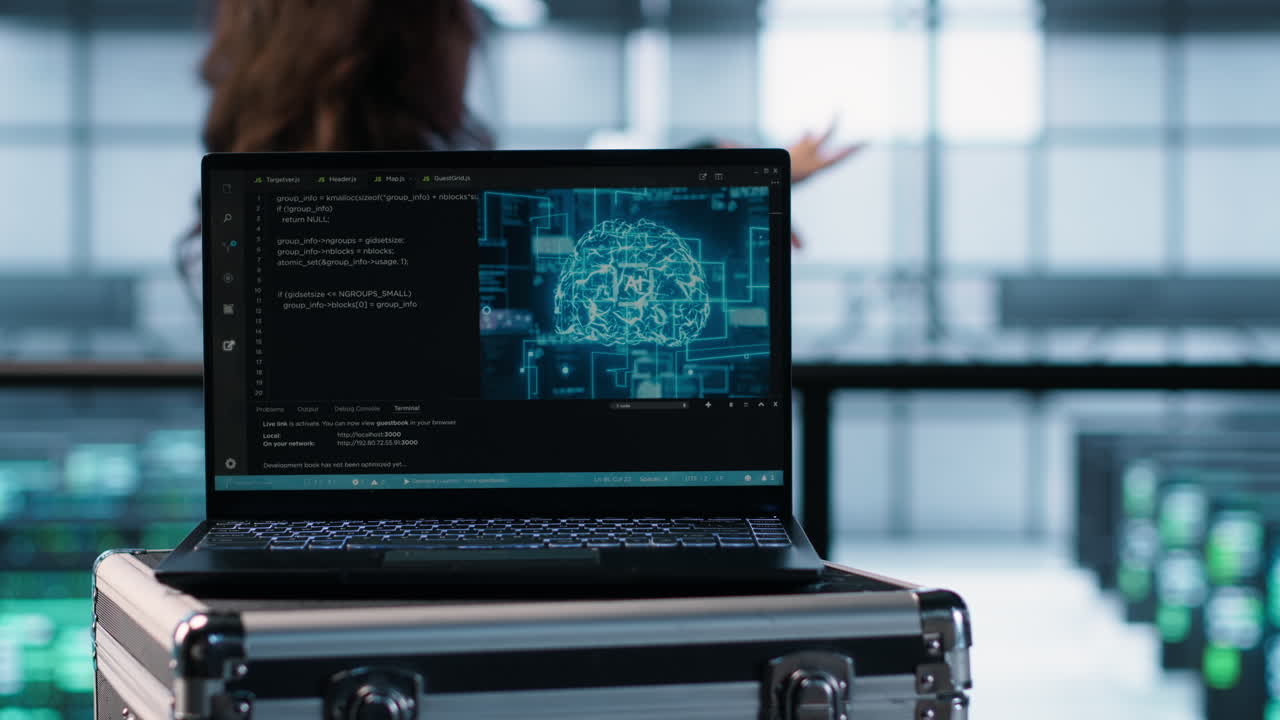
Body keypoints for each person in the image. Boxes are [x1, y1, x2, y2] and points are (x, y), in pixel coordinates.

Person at [179, 0, 858, 299]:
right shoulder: (419, 226)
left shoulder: (236, 227)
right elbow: (540, 246)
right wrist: (713, 196)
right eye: (455, 19)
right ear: (392, 49)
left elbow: (551, 232)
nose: (472, 41)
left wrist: (716, 185)